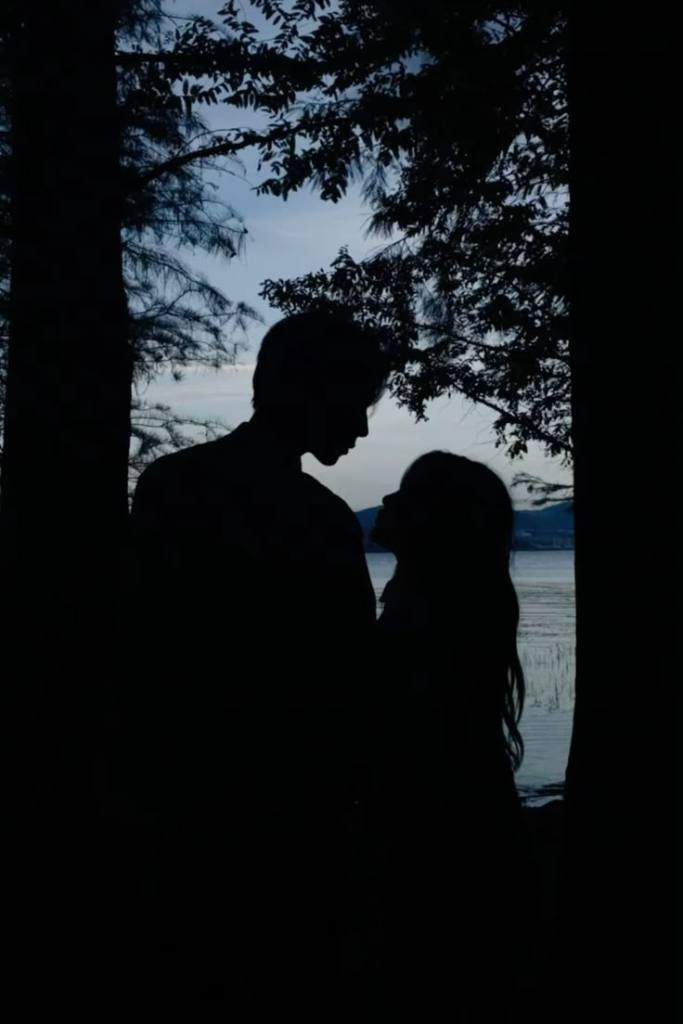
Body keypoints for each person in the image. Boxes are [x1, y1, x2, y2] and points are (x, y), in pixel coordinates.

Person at [105, 310, 388, 1017]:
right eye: (354, 403)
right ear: (305, 390)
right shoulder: (321, 520)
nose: (361, 428)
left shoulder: (173, 486)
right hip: (287, 821)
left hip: (182, 806)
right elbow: (352, 678)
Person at [372, 451, 529, 1023]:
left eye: (407, 493)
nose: (387, 500)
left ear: (437, 520)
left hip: (439, 833)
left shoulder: (425, 617)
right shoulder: (459, 604)